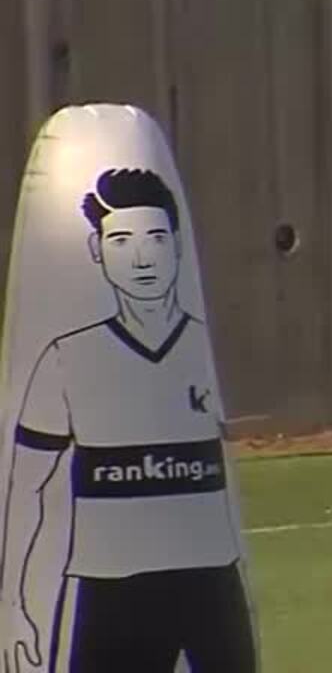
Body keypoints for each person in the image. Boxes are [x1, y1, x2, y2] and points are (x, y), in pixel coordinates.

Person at [0, 168, 255, 672]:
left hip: (212, 585)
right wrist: (13, 603)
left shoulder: (206, 347)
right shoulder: (66, 358)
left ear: (178, 246)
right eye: (121, 240)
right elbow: (26, 487)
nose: (142, 257)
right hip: (112, 589)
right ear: (97, 250)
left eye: (156, 238)